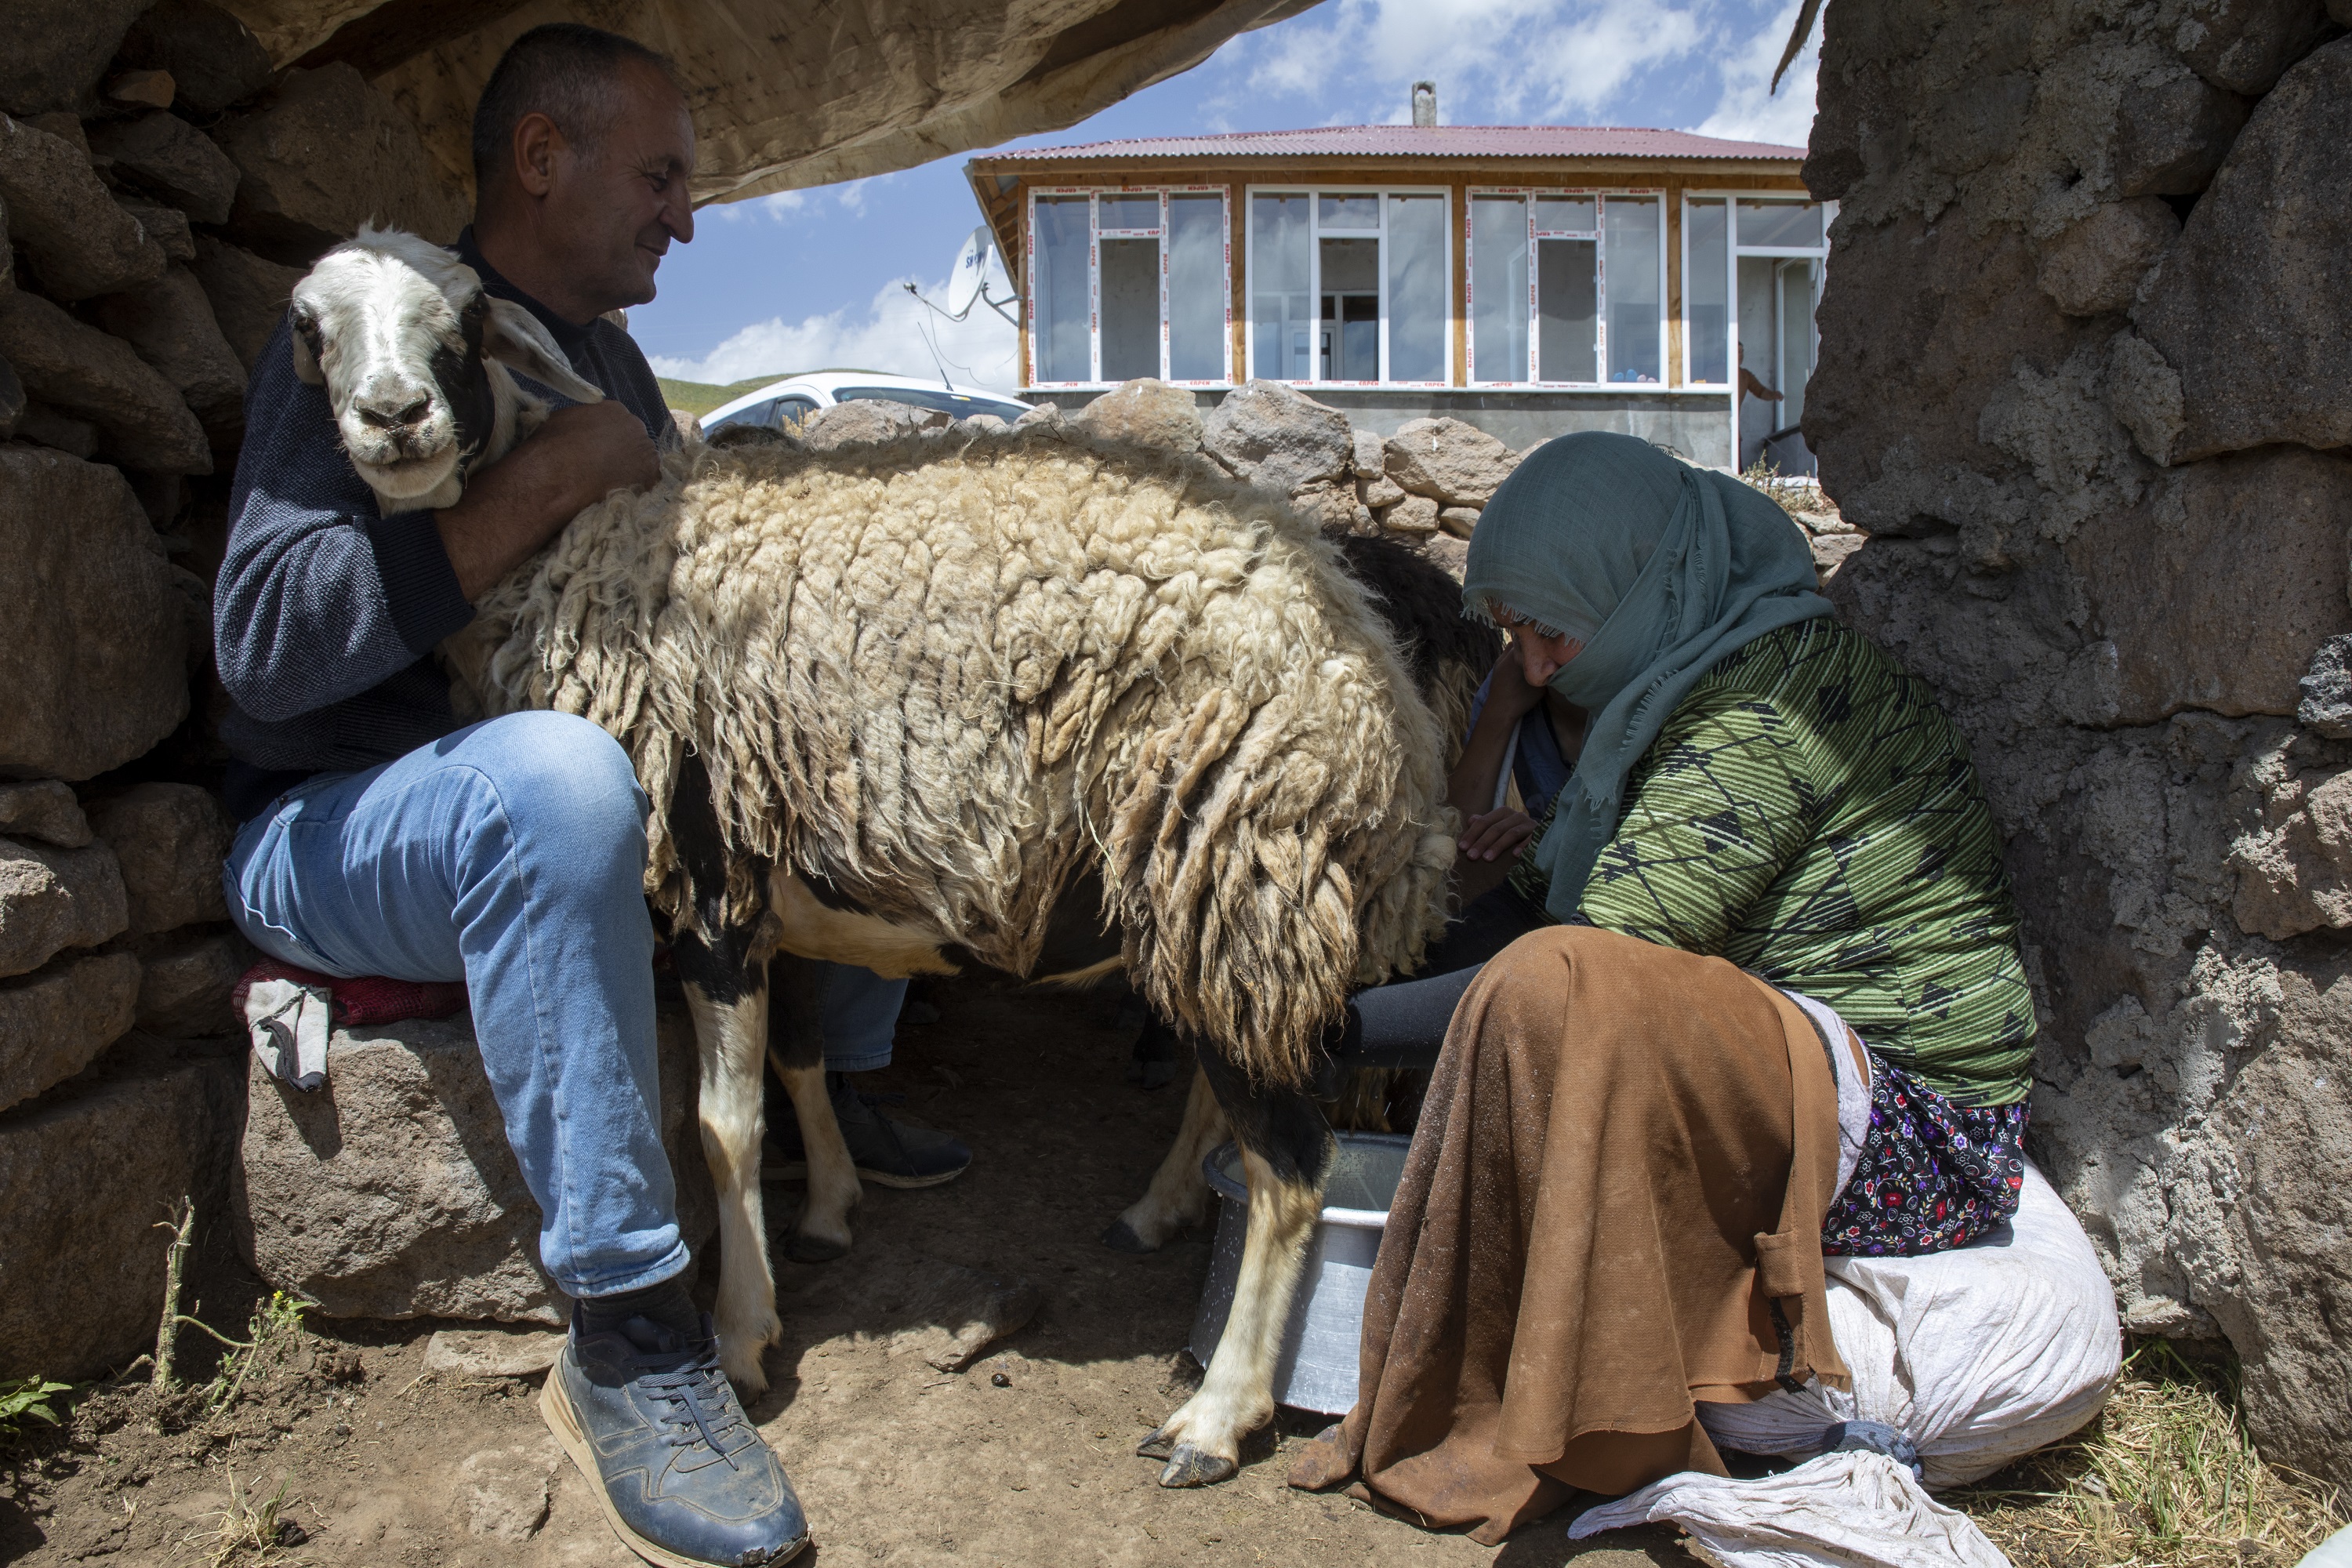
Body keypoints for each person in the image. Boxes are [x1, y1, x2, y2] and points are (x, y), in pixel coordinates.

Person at [211, 24, 956, 1566]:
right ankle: (626, 1337)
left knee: (796, 753)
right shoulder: (386, 321)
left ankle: (845, 1087)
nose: (687, 214)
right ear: (543, 161)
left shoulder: (614, 362)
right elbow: (265, 650)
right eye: (662, 176)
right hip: (342, 820)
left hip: (534, 804)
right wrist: (549, 477)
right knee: (561, 779)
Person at [1293, 432, 2036, 1541]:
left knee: (1561, 994)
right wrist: (1362, 955)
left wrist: (1325, 1031)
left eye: (1553, 630)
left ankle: (1600, 1407)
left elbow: (1588, 980)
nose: (1535, 666)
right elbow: (1530, 898)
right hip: (1826, 1073)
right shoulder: (1677, 688)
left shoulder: (1764, 714)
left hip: (1924, 1131)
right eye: (1515, 636)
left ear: (1645, 581)